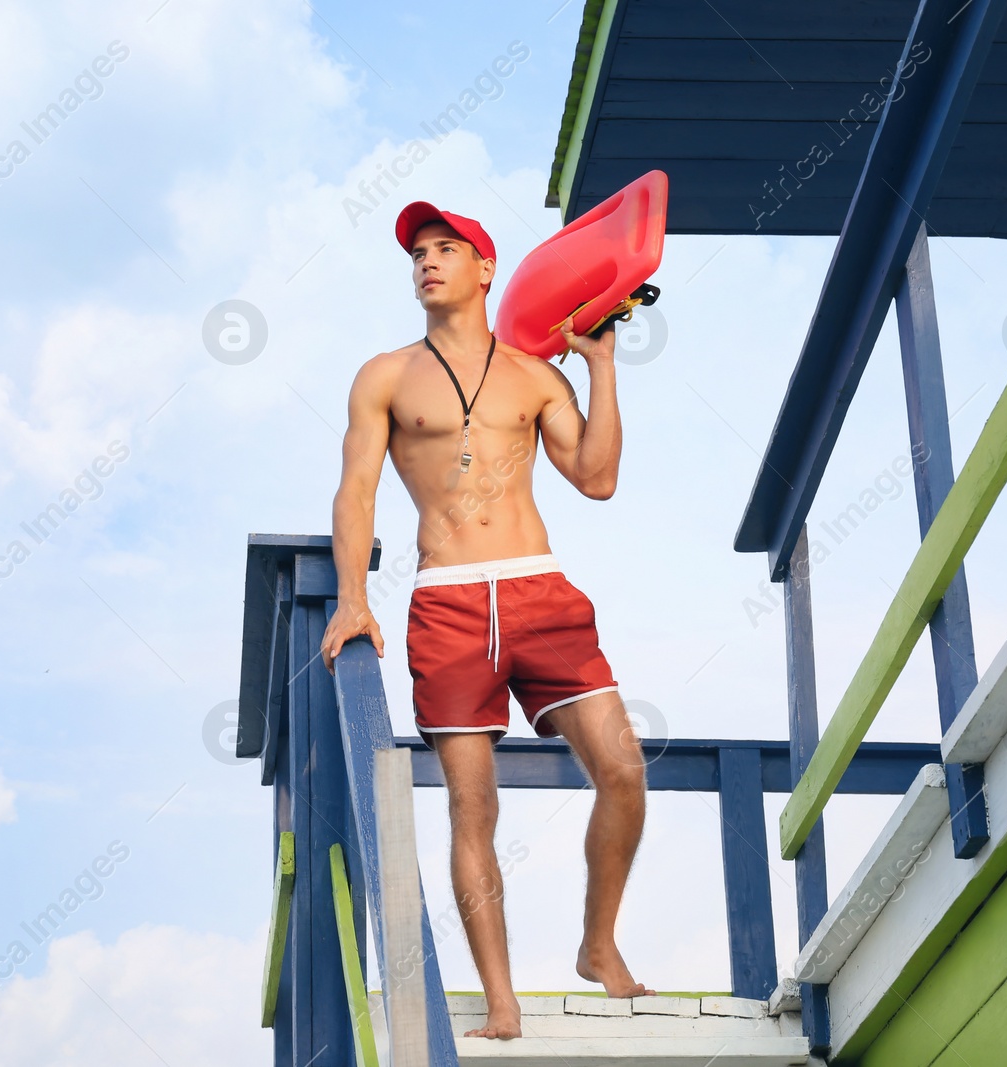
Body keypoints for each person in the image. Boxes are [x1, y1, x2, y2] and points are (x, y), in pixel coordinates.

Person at [320, 201, 651, 1040]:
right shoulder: (385, 375)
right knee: (474, 807)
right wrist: (354, 595)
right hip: (449, 601)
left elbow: (598, 477)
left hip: (540, 591)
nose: (428, 262)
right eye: (419, 253)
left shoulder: (538, 376)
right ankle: (501, 999)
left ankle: (598, 944)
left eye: (446, 249)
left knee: (622, 765)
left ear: (486, 269)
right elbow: (356, 489)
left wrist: (601, 368)